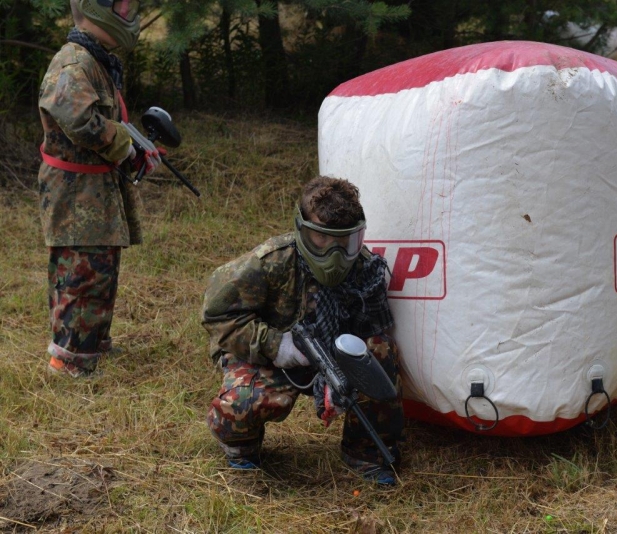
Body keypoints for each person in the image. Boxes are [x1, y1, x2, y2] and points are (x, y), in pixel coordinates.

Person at [201, 176, 404, 485]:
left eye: (345, 241)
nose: (335, 254)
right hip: (268, 357)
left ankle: (367, 453)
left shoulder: (365, 270)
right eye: (321, 238)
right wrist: (276, 345)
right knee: (243, 400)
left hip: (331, 355)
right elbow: (217, 315)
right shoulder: (272, 261)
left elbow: (369, 333)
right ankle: (241, 446)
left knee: (380, 352)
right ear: (302, 230)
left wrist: (343, 375)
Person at [38, 0, 160, 378]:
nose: (127, 14)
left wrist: (133, 148)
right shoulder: (73, 63)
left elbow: (103, 120)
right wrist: (124, 144)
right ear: (94, 8)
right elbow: (79, 119)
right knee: (80, 272)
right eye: (120, 6)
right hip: (75, 190)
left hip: (93, 185)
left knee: (101, 268)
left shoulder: (95, 59)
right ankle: (69, 358)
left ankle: (91, 344)